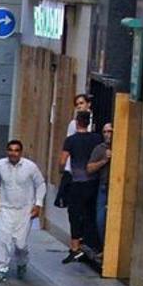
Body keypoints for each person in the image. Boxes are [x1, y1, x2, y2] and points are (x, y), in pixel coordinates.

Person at [0, 140, 46, 282]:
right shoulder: (0, 165)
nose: (13, 153)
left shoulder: (30, 167)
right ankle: (0, 269)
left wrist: (38, 205)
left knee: (20, 244)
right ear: (7, 151)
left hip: (25, 211)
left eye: (16, 150)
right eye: (11, 150)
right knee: (3, 240)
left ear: (21, 152)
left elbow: (41, 184)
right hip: (6, 209)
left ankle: (21, 263)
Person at [59, 111, 102, 263]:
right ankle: (92, 246)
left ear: (77, 122)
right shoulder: (97, 139)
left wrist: (62, 171)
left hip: (77, 182)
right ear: (89, 122)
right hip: (93, 182)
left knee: (75, 214)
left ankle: (75, 247)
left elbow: (63, 161)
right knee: (91, 214)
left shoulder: (70, 140)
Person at [86, 122, 113, 249]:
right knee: (100, 220)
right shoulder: (99, 149)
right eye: (105, 132)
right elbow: (89, 168)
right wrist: (104, 161)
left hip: (116, 187)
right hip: (104, 186)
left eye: (110, 131)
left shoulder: (121, 147)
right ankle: (104, 247)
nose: (108, 135)